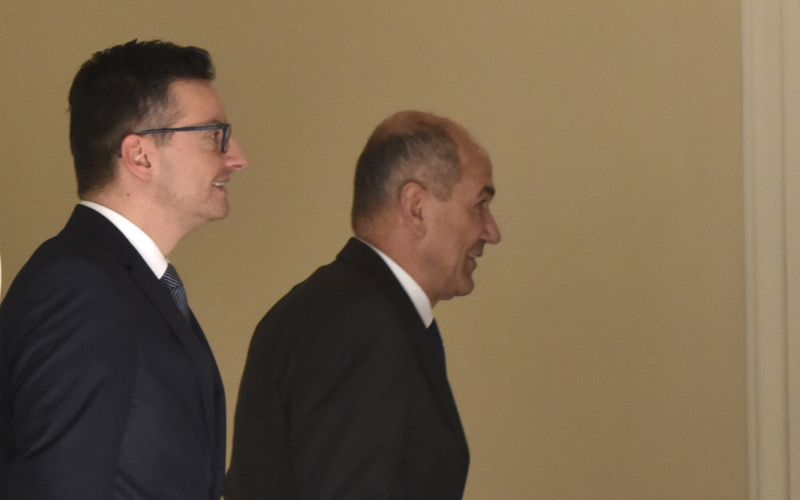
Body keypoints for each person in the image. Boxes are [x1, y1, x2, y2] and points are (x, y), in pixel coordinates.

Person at [0, 40, 248, 499]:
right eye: (214, 135)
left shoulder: (124, 282)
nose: (237, 157)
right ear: (140, 155)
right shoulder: (79, 286)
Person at [226, 110, 500, 499]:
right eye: (479, 205)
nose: (491, 231)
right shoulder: (363, 327)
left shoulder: (334, 307)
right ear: (416, 206)